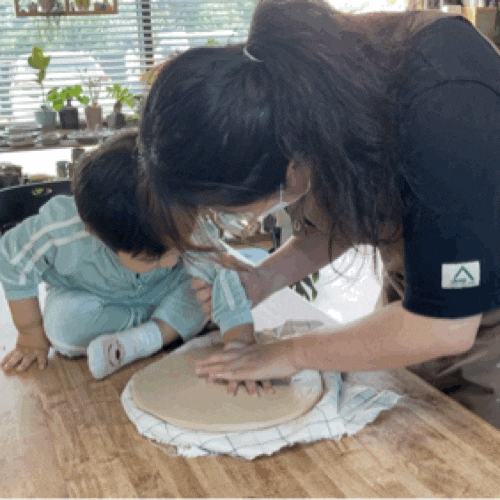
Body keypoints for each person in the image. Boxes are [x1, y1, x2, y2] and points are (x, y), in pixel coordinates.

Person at [137, 0, 500, 426]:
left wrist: (290, 353)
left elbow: (443, 327)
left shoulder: (445, 104)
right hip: (420, 299)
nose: (236, 222)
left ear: (290, 169)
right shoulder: (306, 94)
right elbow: (343, 222)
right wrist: (260, 281)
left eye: (229, 211)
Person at [0, 130, 268, 394]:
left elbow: (220, 272)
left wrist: (240, 343)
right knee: (62, 330)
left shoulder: (182, 217)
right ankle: (165, 329)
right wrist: (30, 334)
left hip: (166, 291)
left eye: (176, 249)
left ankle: (145, 339)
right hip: (94, 298)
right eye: (152, 258)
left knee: (208, 287)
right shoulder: (61, 228)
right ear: (97, 234)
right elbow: (12, 257)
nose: (170, 261)